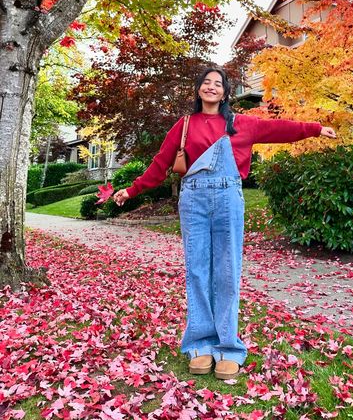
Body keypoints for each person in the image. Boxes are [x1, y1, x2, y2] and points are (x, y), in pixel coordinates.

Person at [113, 67, 336, 380]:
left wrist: (314, 128)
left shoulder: (242, 124)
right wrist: (132, 189)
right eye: (206, 82)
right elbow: (161, 163)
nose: (211, 87)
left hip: (229, 200)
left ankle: (229, 347)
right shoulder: (185, 125)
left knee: (227, 271)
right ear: (198, 90)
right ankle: (200, 344)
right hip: (193, 202)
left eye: (218, 84)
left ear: (226, 92)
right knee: (197, 270)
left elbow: (280, 129)